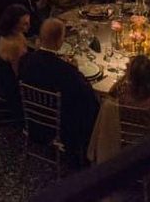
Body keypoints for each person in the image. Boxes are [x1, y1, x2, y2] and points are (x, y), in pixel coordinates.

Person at [19, 18, 99, 159]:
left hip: (31, 118)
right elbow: (87, 95)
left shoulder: (25, 60)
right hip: (59, 125)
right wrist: (76, 71)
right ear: (59, 41)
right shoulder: (67, 72)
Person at [108, 55, 150, 123]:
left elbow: (110, 94)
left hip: (123, 130)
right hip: (145, 132)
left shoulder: (122, 90)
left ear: (131, 75)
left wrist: (126, 74)